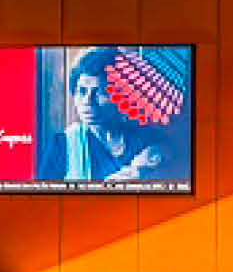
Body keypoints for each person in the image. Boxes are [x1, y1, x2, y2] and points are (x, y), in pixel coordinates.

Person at [41, 47, 165, 183]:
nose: (88, 101)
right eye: (82, 92)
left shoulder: (144, 139)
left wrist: (140, 169)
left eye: (100, 92)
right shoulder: (63, 145)